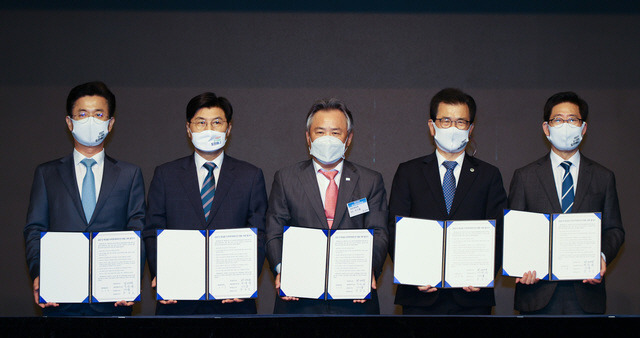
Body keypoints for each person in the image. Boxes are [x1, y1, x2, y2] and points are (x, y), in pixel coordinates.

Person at [23, 81, 146, 316]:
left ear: (110, 124)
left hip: (113, 301)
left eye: (99, 114)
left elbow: (137, 229)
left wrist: (130, 278)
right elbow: (35, 228)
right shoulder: (47, 173)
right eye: (82, 114)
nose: (91, 121)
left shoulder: (129, 174)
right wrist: (40, 274)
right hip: (60, 298)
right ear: (70, 122)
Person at [143, 92, 267, 315]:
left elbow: (258, 234)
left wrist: (245, 280)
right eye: (201, 122)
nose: (209, 129)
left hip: (233, 301)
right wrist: (161, 273)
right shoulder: (166, 175)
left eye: (217, 122)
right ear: (188, 129)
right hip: (178, 299)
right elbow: (152, 230)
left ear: (228, 129)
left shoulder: (250, 176)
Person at [388, 88, 507, 315]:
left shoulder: (489, 175)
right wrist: (411, 273)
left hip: (472, 297)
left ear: (470, 129)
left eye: (461, 122)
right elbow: (395, 228)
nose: (453, 128)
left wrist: (485, 273)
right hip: (420, 295)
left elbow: (500, 230)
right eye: (445, 121)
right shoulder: (408, 172)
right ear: (432, 126)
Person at [265, 98, 388, 314]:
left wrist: (367, 269)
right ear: (308, 137)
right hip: (299, 300)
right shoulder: (286, 178)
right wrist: (284, 270)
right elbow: (274, 231)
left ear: (348, 138)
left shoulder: (370, 180)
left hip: (353, 301)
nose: (327, 139)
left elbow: (379, 232)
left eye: (336, 132)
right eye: (320, 132)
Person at [509, 91, 625, 315]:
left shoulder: (603, 176)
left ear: (583, 128)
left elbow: (615, 229)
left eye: (572, 120)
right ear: (546, 128)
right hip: (536, 294)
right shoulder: (524, 176)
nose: (565, 126)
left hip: (586, 295)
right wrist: (519, 263)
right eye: (558, 120)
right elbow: (515, 231)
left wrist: (600, 257)